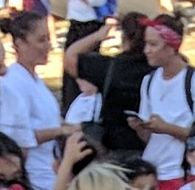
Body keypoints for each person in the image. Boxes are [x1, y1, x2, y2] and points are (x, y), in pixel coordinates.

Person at [130, 14, 195, 190]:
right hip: (154, 172)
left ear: (172, 47)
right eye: (146, 43)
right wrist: (140, 127)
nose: (147, 50)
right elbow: (149, 138)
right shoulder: (149, 81)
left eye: (153, 44)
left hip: (183, 173)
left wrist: (166, 128)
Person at [0, 10, 71, 190]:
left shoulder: (35, 80)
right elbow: (17, 137)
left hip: (49, 170)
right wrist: (61, 131)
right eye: (41, 40)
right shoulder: (12, 84)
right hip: (34, 178)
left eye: (48, 38)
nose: (48, 45)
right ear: (19, 44)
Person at [64, 13, 154, 158]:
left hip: (113, 146)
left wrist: (99, 35)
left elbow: (70, 56)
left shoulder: (110, 67)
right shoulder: (157, 69)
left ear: (123, 36)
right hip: (152, 145)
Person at [60, 0, 116, 106]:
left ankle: (84, 102)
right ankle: (68, 101)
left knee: (84, 66)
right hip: (75, 21)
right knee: (68, 64)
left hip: (90, 23)